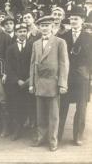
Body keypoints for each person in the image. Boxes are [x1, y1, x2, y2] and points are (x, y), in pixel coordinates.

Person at [29, 15, 69, 152]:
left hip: (53, 83)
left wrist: (63, 84)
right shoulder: (36, 44)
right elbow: (32, 65)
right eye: (42, 26)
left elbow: (64, 64)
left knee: (53, 115)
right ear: (39, 28)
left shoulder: (59, 42)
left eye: (47, 25)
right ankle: (40, 137)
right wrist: (31, 84)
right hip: (39, 83)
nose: (44, 28)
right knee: (40, 114)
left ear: (52, 26)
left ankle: (53, 140)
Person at [58, 6, 92, 146]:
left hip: (82, 77)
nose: (73, 21)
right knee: (62, 106)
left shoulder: (89, 37)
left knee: (81, 107)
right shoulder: (63, 37)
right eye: (71, 19)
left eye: (76, 19)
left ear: (82, 20)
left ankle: (77, 136)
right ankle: (58, 135)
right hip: (67, 76)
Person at [6, 23, 32, 141]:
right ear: (16, 33)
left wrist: (28, 80)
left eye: (24, 31)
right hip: (15, 83)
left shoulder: (32, 46)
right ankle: (17, 129)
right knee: (15, 105)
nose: (22, 34)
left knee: (27, 105)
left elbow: (34, 64)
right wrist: (17, 80)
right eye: (20, 31)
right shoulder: (11, 48)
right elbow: (8, 67)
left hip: (28, 81)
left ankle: (27, 127)